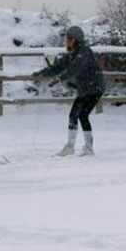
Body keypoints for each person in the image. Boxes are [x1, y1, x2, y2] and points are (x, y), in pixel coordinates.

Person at [32, 26, 105, 156]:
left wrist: (58, 80)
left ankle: (87, 148)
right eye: (67, 38)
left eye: (70, 38)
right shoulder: (71, 55)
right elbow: (57, 67)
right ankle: (72, 147)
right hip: (85, 89)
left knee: (81, 115)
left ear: (77, 40)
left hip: (94, 88)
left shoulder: (85, 52)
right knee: (75, 115)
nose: (67, 41)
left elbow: (74, 69)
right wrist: (40, 74)